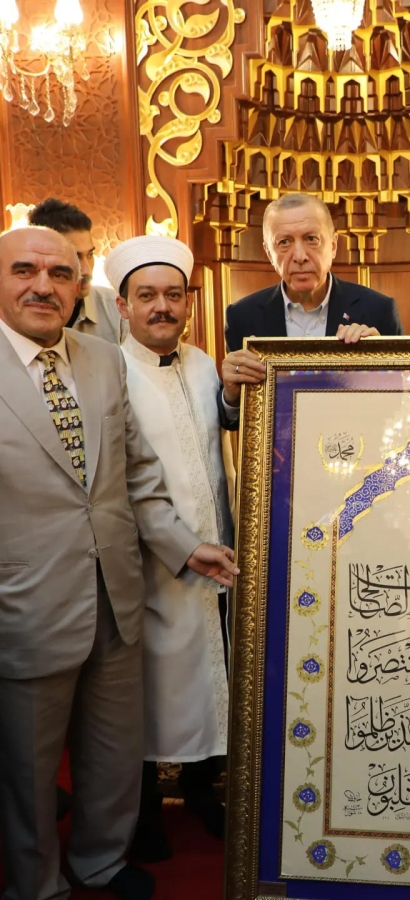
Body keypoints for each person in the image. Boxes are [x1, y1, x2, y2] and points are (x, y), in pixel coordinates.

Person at [0, 226, 237, 900]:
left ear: (80, 288)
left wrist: (187, 546)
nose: (43, 286)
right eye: (23, 270)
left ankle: (100, 860)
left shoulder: (101, 361)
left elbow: (136, 475)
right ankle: (36, 884)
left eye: (60, 274)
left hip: (117, 592)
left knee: (110, 751)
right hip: (26, 601)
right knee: (29, 767)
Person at [105, 236, 233, 862]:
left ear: (189, 302)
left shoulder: (205, 364)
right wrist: (182, 546)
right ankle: (145, 812)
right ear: (123, 305)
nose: (162, 306)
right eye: (147, 295)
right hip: (146, 565)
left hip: (216, 558)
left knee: (214, 682)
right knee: (146, 693)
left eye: (173, 295)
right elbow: (119, 481)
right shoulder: (107, 372)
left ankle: (204, 790)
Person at [220, 193, 402, 418]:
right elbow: (236, 420)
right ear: (269, 253)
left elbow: (402, 406)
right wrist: (230, 395)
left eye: (311, 239)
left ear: (333, 246)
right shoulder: (242, 317)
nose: (300, 256)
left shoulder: (377, 311)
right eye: (284, 242)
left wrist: (382, 366)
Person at [28, 197, 127, 345]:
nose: (86, 271)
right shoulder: (16, 309)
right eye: (75, 257)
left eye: (90, 255)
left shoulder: (117, 309)